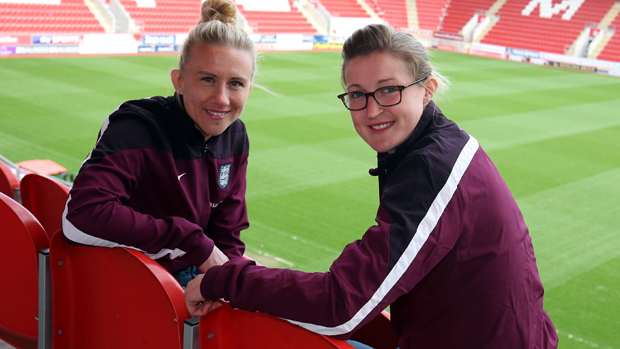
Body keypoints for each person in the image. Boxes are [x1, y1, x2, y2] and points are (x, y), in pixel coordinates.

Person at [185, 23, 559, 348]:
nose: (372, 110)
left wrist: (224, 280)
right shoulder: (430, 148)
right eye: (358, 94)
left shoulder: (433, 168)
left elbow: (340, 307)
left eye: (388, 90)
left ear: (427, 89)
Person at [61, 0, 256, 287]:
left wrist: (224, 285)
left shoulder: (235, 136)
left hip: (188, 282)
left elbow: (228, 235)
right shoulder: (138, 127)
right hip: (124, 282)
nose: (221, 99)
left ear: (250, 87)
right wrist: (188, 239)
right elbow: (80, 218)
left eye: (236, 83)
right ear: (179, 80)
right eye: (208, 79)